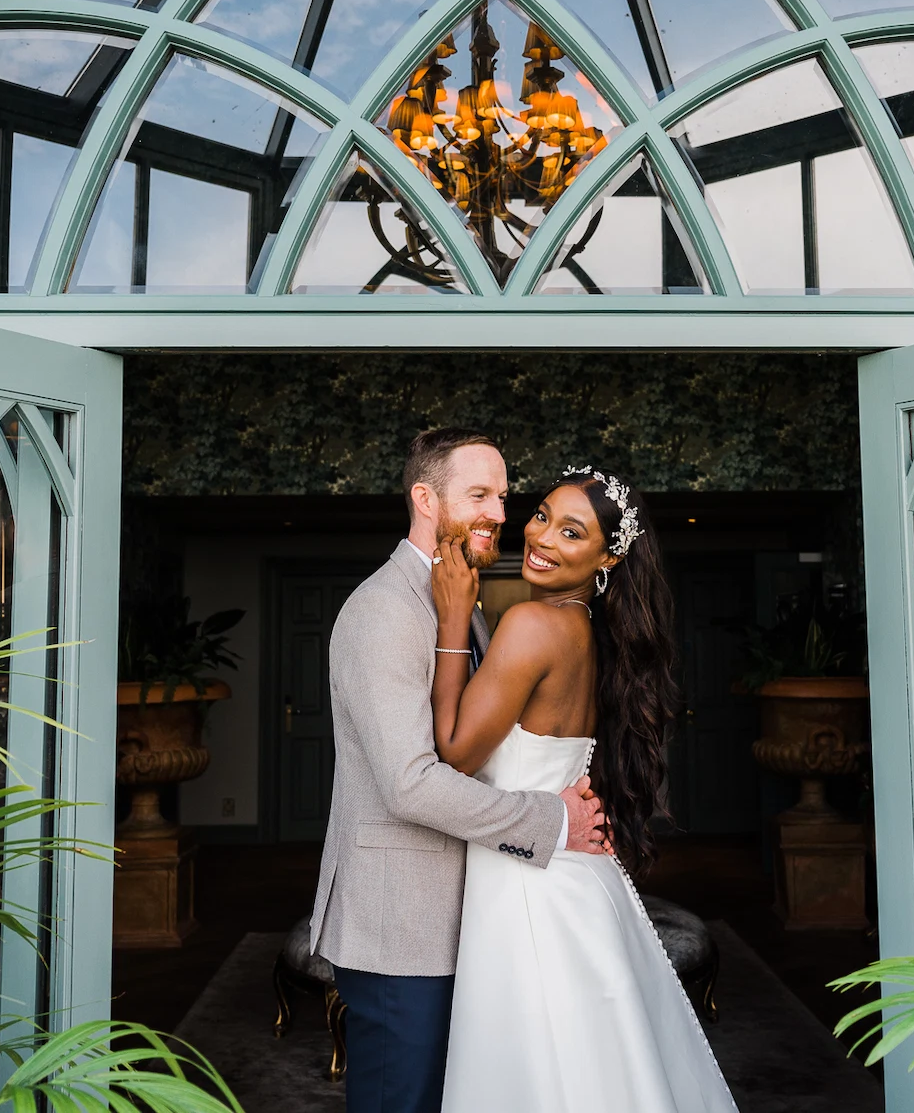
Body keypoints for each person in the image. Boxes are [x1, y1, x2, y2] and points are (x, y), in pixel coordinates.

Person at [309, 428, 610, 1113]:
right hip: (400, 928)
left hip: (469, 919)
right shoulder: (384, 610)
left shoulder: (461, 603)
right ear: (425, 498)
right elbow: (411, 782)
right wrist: (552, 818)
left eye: (503, 497)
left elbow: (480, 749)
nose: (500, 513)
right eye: (479, 495)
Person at [430, 466, 738, 1112]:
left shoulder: (532, 624)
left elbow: (455, 754)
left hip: (528, 883)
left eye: (572, 532)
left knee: (537, 1069)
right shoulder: (591, 632)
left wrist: (455, 618)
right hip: (571, 873)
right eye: (541, 515)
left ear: (608, 556)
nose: (541, 536)